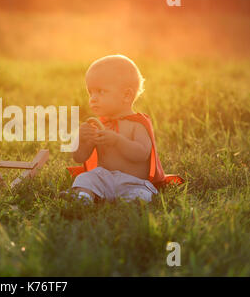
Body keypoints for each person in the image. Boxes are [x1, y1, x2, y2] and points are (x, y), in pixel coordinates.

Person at [66, 55, 183, 204]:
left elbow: (141, 153)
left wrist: (117, 140)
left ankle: (129, 203)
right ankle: (83, 198)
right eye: (90, 92)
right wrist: (82, 139)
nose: (93, 98)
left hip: (132, 182)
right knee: (85, 177)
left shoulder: (137, 124)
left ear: (126, 95)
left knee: (142, 194)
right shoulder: (100, 126)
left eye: (101, 91)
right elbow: (80, 157)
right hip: (104, 179)